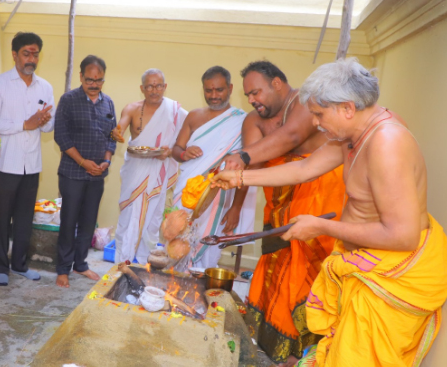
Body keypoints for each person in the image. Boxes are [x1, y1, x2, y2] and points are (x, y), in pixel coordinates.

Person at [214, 58, 447, 367]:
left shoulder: (387, 143)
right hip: (360, 265)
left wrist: (321, 227)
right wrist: (241, 177)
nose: (315, 123)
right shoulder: (353, 133)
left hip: (388, 277)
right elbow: (305, 168)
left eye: (319, 114)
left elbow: (402, 236)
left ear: (347, 108)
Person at [220, 61, 345, 366]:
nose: (252, 99)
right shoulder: (253, 121)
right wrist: (235, 206)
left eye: (256, 92)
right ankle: (278, 342)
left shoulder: (307, 103)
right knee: (277, 262)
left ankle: (311, 349)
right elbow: (250, 168)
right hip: (277, 205)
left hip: (320, 200)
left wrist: (243, 157)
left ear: (277, 83)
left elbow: (290, 139)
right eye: (248, 95)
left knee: (311, 271)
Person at [170, 66, 257, 269]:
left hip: (218, 196)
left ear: (230, 88)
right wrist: (184, 153)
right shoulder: (193, 116)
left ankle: (200, 290)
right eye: (208, 90)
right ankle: (175, 288)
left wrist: (236, 208)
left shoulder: (243, 121)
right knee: (177, 241)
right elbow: (176, 150)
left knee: (207, 245)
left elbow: (247, 169)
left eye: (219, 90)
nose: (214, 95)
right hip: (186, 191)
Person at [0, 32, 54, 286]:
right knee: (2, 217)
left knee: (26, 217)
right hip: (5, 163)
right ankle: (1, 267)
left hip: (31, 165)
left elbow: (48, 127)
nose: (31, 59)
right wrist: (25, 124)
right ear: (14, 54)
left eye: (35, 53)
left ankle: (20, 265)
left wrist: (44, 122)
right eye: (26, 53)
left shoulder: (45, 87)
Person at [111, 68, 187, 264]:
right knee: (129, 221)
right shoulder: (132, 108)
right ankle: (121, 265)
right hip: (136, 171)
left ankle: (146, 264)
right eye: (150, 86)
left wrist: (170, 151)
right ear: (142, 88)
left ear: (165, 87)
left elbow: (187, 136)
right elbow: (121, 126)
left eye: (159, 85)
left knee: (152, 221)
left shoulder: (175, 111)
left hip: (159, 173)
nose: (155, 90)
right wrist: (117, 133)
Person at [54, 55, 116, 288]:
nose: (94, 84)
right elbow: (61, 136)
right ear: (81, 77)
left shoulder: (108, 103)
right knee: (69, 221)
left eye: (99, 80)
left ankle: (80, 264)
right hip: (72, 173)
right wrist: (83, 162)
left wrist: (106, 161)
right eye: (89, 79)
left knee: (89, 221)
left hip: (97, 175)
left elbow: (112, 137)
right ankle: (62, 269)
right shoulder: (68, 100)